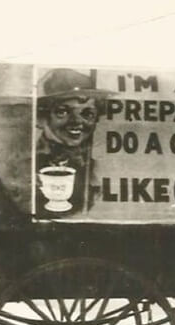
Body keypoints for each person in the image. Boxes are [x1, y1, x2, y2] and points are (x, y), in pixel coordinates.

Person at [35, 68, 112, 216]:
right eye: (62, 112)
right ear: (42, 118)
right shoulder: (27, 164)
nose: (77, 122)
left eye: (87, 114)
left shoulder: (95, 169)